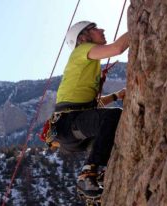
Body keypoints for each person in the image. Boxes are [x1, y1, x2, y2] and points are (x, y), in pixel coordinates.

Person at [51, 21, 129, 199]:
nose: (102, 29)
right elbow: (117, 48)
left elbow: (88, 107)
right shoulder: (82, 50)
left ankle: (98, 178)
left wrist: (116, 96)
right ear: (83, 37)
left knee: (113, 132)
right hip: (69, 123)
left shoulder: (87, 63)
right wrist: (139, 24)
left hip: (70, 130)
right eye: (95, 28)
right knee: (114, 116)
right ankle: (88, 173)